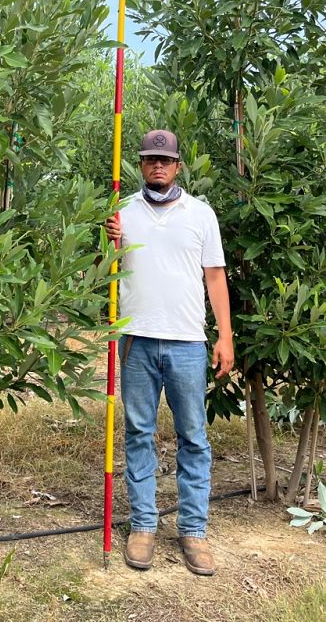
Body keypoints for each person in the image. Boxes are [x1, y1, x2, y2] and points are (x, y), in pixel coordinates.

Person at [105, 129, 234, 577]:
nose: (157, 166)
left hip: (187, 343)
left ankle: (193, 531)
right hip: (136, 340)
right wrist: (111, 242)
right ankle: (143, 526)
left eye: (165, 160)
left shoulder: (201, 214)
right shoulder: (122, 214)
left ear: (178, 165)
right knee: (139, 434)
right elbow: (108, 269)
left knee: (193, 438)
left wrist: (225, 336)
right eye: (149, 159)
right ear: (141, 165)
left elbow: (215, 277)